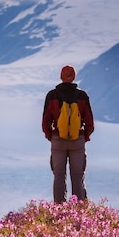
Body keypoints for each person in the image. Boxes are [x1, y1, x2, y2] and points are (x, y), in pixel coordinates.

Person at [42, 65, 95, 203]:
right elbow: (89, 123)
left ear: (61, 76)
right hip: (77, 139)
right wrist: (84, 137)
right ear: (74, 77)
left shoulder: (52, 95)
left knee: (59, 176)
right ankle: (78, 210)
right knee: (77, 176)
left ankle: (59, 209)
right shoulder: (82, 96)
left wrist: (52, 136)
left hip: (58, 139)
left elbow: (45, 122)